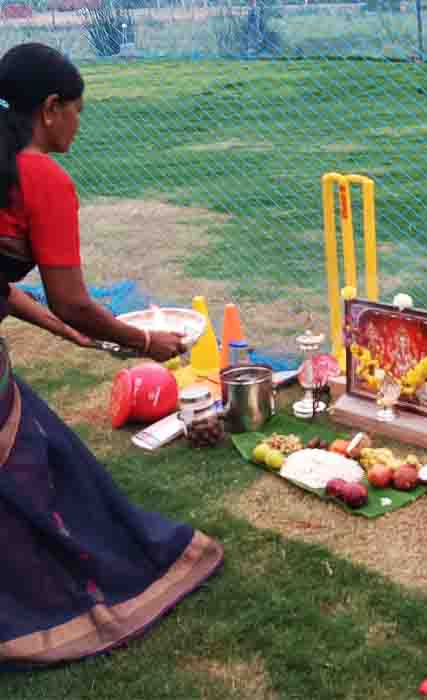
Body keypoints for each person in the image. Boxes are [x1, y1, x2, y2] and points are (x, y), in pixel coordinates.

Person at [0, 43, 223, 668]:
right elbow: (76, 300)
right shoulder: (39, 175)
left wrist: (53, 328)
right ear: (50, 109)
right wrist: (149, 342)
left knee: (44, 452)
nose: (78, 122)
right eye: (76, 109)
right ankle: (55, 613)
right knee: (43, 472)